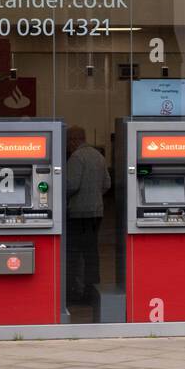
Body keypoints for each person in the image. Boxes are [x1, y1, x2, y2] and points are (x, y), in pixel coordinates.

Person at [65, 126, 110, 303]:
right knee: (92, 254)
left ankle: (74, 293)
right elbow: (107, 183)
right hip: (96, 212)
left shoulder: (76, 157)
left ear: (74, 140)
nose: (68, 146)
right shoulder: (98, 156)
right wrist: (95, 196)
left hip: (78, 212)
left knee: (74, 255)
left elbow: (71, 185)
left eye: (68, 141)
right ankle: (92, 291)